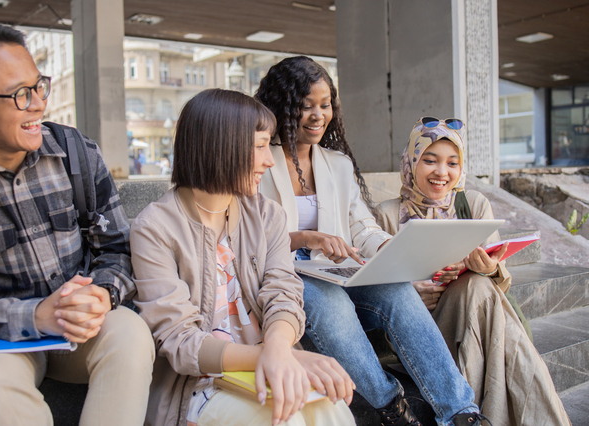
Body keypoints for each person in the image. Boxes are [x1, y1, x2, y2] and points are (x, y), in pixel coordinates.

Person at [256, 55, 488, 426]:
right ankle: (389, 406)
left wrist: (388, 250)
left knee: (396, 289)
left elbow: (362, 226)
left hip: (336, 268)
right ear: (283, 105)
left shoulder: (337, 164)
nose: (318, 115)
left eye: (325, 104)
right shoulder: (257, 160)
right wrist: (303, 236)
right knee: (329, 302)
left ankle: (461, 411)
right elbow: (242, 234)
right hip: (283, 274)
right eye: (306, 106)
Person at [0, 21, 154, 425]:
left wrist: (101, 294)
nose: (39, 103)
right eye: (19, 94)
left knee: (130, 334)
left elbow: (118, 250)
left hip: (79, 327)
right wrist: (35, 316)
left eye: (39, 85)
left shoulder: (76, 154)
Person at [130, 88, 356, 426]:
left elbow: (285, 292)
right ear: (222, 148)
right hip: (196, 388)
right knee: (285, 421)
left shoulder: (267, 215)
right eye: (261, 146)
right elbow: (179, 341)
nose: (269, 160)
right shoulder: (155, 228)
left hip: (269, 365)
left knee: (333, 411)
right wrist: (274, 357)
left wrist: (279, 350)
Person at [373, 117, 571, 426]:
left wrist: (489, 267)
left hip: (474, 314)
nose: (442, 172)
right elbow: (372, 285)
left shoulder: (472, 204)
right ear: (412, 161)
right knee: (487, 308)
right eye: (430, 160)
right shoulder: (388, 213)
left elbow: (499, 285)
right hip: (418, 327)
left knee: (477, 287)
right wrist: (408, 291)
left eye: (453, 163)